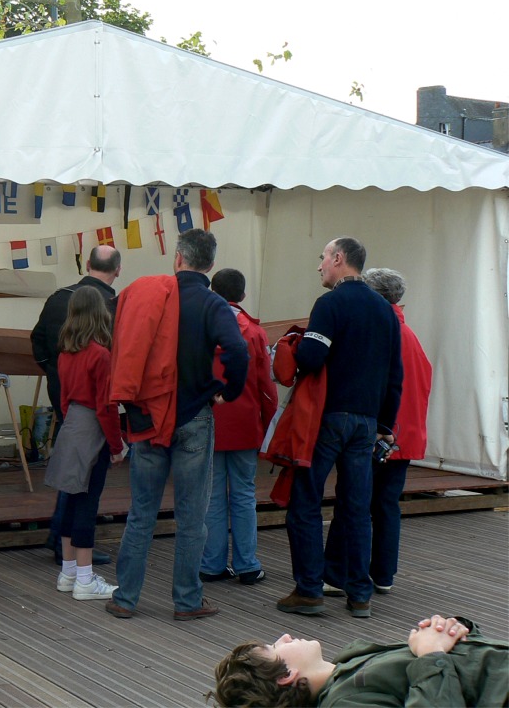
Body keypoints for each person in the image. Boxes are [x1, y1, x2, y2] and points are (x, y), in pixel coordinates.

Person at [105, 229, 248, 621]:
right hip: (193, 417)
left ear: (178, 258)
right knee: (191, 516)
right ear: (211, 264)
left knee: (141, 513)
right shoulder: (212, 302)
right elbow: (237, 349)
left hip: (148, 415)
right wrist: (227, 390)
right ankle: (186, 601)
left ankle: (125, 598)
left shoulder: (146, 296)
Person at [277, 237, 403, 619]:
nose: (319, 267)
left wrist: (290, 348)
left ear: (338, 259)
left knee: (305, 503)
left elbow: (313, 356)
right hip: (367, 422)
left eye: (322, 259)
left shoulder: (330, 304)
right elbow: (395, 375)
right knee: (355, 508)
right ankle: (359, 593)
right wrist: (384, 424)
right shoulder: (386, 310)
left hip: (327, 418)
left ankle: (309, 589)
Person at [325, 268, 432, 596]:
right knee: (386, 504)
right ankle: (383, 573)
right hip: (406, 434)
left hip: (377, 431)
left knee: (352, 500)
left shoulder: (380, 332)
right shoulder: (409, 335)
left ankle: (335, 574)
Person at [31, 245, 121, 566]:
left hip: (65, 396)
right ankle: (67, 545)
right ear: (117, 270)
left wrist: (55, 372)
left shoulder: (58, 297)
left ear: (88, 263)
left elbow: (37, 340)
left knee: (70, 470)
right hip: (95, 403)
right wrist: (117, 442)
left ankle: (62, 541)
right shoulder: (111, 306)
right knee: (83, 484)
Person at [213, 615, 508, 707]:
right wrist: (432, 655)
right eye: (275, 646)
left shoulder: (348, 660)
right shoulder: (342, 702)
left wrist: (453, 629)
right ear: (285, 674)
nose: (286, 636)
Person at [47, 286, 127, 600]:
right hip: (93, 427)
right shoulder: (101, 354)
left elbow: (65, 400)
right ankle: (85, 579)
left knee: (70, 499)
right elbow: (106, 406)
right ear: (100, 314)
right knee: (87, 503)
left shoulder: (66, 353)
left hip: (72, 427)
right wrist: (117, 444)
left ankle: (68, 573)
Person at [200, 269, 277, 586]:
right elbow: (265, 386)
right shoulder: (254, 333)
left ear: (213, 290)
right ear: (242, 295)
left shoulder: (199, 327)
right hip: (245, 421)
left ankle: (211, 563)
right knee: (244, 495)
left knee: (213, 496)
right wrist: (266, 421)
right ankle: (247, 564)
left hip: (209, 420)